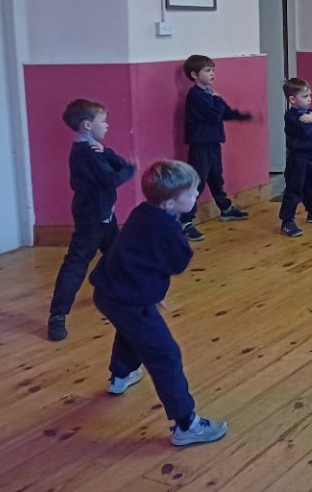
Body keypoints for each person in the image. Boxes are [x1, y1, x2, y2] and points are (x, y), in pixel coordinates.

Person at [90, 160, 228, 447]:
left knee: (131, 330)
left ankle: (121, 374)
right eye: (190, 192)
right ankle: (186, 424)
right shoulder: (167, 228)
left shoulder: (143, 211)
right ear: (169, 202)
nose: (196, 194)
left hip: (108, 291)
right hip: (129, 299)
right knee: (165, 355)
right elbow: (179, 262)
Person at [47, 99, 136, 342]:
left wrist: (105, 151)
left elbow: (117, 163)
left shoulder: (92, 149)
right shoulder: (87, 153)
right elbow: (113, 178)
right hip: (93, 219)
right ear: (87, 125)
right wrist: (131, 169)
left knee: (117, 255)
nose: (107, 125)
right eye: (103, 121)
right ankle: (57, 315)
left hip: (103, 215)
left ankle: (127, 293)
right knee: (76, 264)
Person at [179, 54, 252, 242]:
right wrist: (218, 100)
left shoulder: (209, 93)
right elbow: (213, 115)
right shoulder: (195, 96)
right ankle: (185, 221)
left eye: (213, 70)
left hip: (213, 143)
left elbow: (224, 112)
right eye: (207, 70)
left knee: (216, 178)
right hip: (200, 145)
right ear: (194, 75)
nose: (212, 73)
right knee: (197, 182)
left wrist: (242, 116)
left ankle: (225, 208)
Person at [278, 77, 312, 237]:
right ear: (292, 99)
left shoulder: (311, 114)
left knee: (311, 185)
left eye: (310, 95)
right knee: (294, 188)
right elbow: (305, 131)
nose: (309, 99)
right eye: (305, 96)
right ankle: (287, 221)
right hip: (298, 158)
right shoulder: (291, 116)